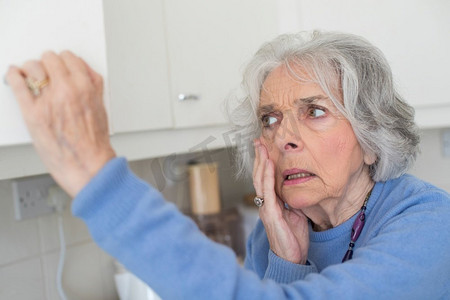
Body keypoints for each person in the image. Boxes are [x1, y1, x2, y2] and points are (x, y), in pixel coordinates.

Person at [5, 31, 450, 299]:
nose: (284, 137)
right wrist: (285, 260)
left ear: (372, 139)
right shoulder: (274, 234)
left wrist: (97, 178)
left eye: (315, 111)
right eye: (270, 120)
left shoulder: (430, 225)